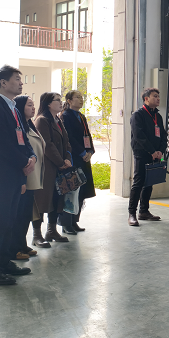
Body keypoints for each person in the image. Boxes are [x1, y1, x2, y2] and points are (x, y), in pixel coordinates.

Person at [0, 65, 35, 285]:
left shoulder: (13, 107)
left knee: (10, 220)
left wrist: (31, 156)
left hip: (16, 174)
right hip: (2, 175)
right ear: (3, 83)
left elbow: (24, 138)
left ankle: (4, 262)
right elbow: (2, 144)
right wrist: (24, 162)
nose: (21, 83)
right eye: (17, 79)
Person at [33, 92, 73, 242]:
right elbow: (47, 145)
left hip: (59, 167)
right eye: (57, 100)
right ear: (48, 103)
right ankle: (37, 235)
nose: (61, 102)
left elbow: (67, 142)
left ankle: (51, 231)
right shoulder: (42, 120)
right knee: (42, 200)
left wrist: (67, 158)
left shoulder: (58, 119)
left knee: (57, 199)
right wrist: (61, 162)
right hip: (47, 168)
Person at [12, 95, 46, 258]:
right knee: (19, 214)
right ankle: (15, 248)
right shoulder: (19, 127)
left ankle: (22, 245)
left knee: (27, 214)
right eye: (29, 105)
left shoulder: (30, 125)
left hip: (34, 175)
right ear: (20, 107)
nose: (33, 108)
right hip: (25, 176)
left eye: (33, 105)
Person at [128, 87, 167, 226]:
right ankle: (132, 214)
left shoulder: (158, 116)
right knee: (138, 182)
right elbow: (139, 136)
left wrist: (160, 151)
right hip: (142, 153)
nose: (158, 99)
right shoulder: (138, 115)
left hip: (155, 154)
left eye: (158, 96)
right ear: (146, 99)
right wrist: (151, 151)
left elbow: (163, 136)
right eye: (155, 96)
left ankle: (144, 211)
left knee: (149, 182)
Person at [60, 90, 96, 232]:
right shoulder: (65, 116)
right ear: (69, 101)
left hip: (84, 158)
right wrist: (82, 152)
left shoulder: (81, 116)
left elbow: (88, 136)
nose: (81, 100)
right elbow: (69, 138)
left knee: (81, 191)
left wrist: (90, 151)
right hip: (74, 157)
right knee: (71, 191)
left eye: (82, 97)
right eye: (77, 97)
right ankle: (66, 224)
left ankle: (75, 221)